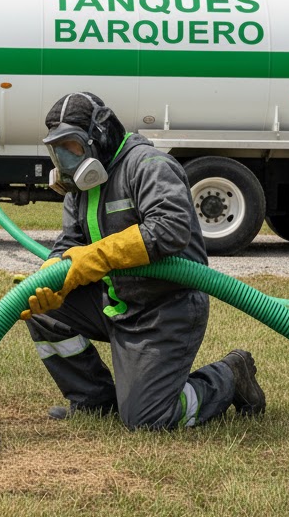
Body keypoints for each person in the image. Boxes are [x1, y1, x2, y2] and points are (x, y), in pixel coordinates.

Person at [20, 92, 265, 430]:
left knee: (148, 419)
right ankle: (94, 400)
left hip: (164, 309)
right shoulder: (81, 186)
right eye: (57, 148)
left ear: (99, 136)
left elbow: (170, 228)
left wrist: (99, 256)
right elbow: (71, 242)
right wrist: (53, 272)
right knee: (40, 306)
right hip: (117, 300)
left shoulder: (149, 165)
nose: (65, 159)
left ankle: (228, 376)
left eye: (72, 146)